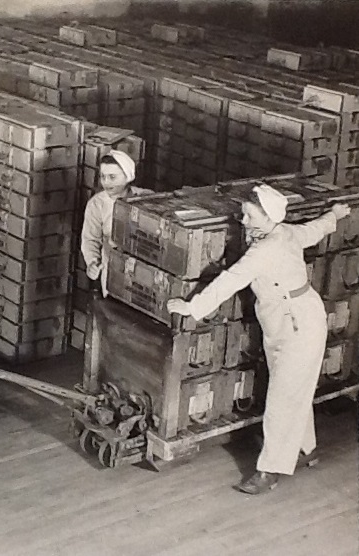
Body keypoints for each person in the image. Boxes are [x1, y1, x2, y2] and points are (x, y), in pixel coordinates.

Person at [167, 185, 351, 495]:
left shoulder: (265, 249)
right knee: (294, 386)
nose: (243, 220)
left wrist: (190, 307)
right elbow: (313, 231)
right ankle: (306, 450)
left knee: (282, 397)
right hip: (284, 321)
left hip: (299, 325)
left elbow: (230, 279)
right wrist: (333, 215)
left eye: (250, 215)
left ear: (268, 217)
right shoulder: (283, 232)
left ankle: (269, 470)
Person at [80, 150, 151, 297]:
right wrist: (93, 262)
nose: (106, 182)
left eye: (112, 177)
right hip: (113, 270)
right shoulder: (97, 204)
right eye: (103, 177)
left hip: (144, 272)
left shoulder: (146, 198)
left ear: (128, 177)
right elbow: (90, 239)